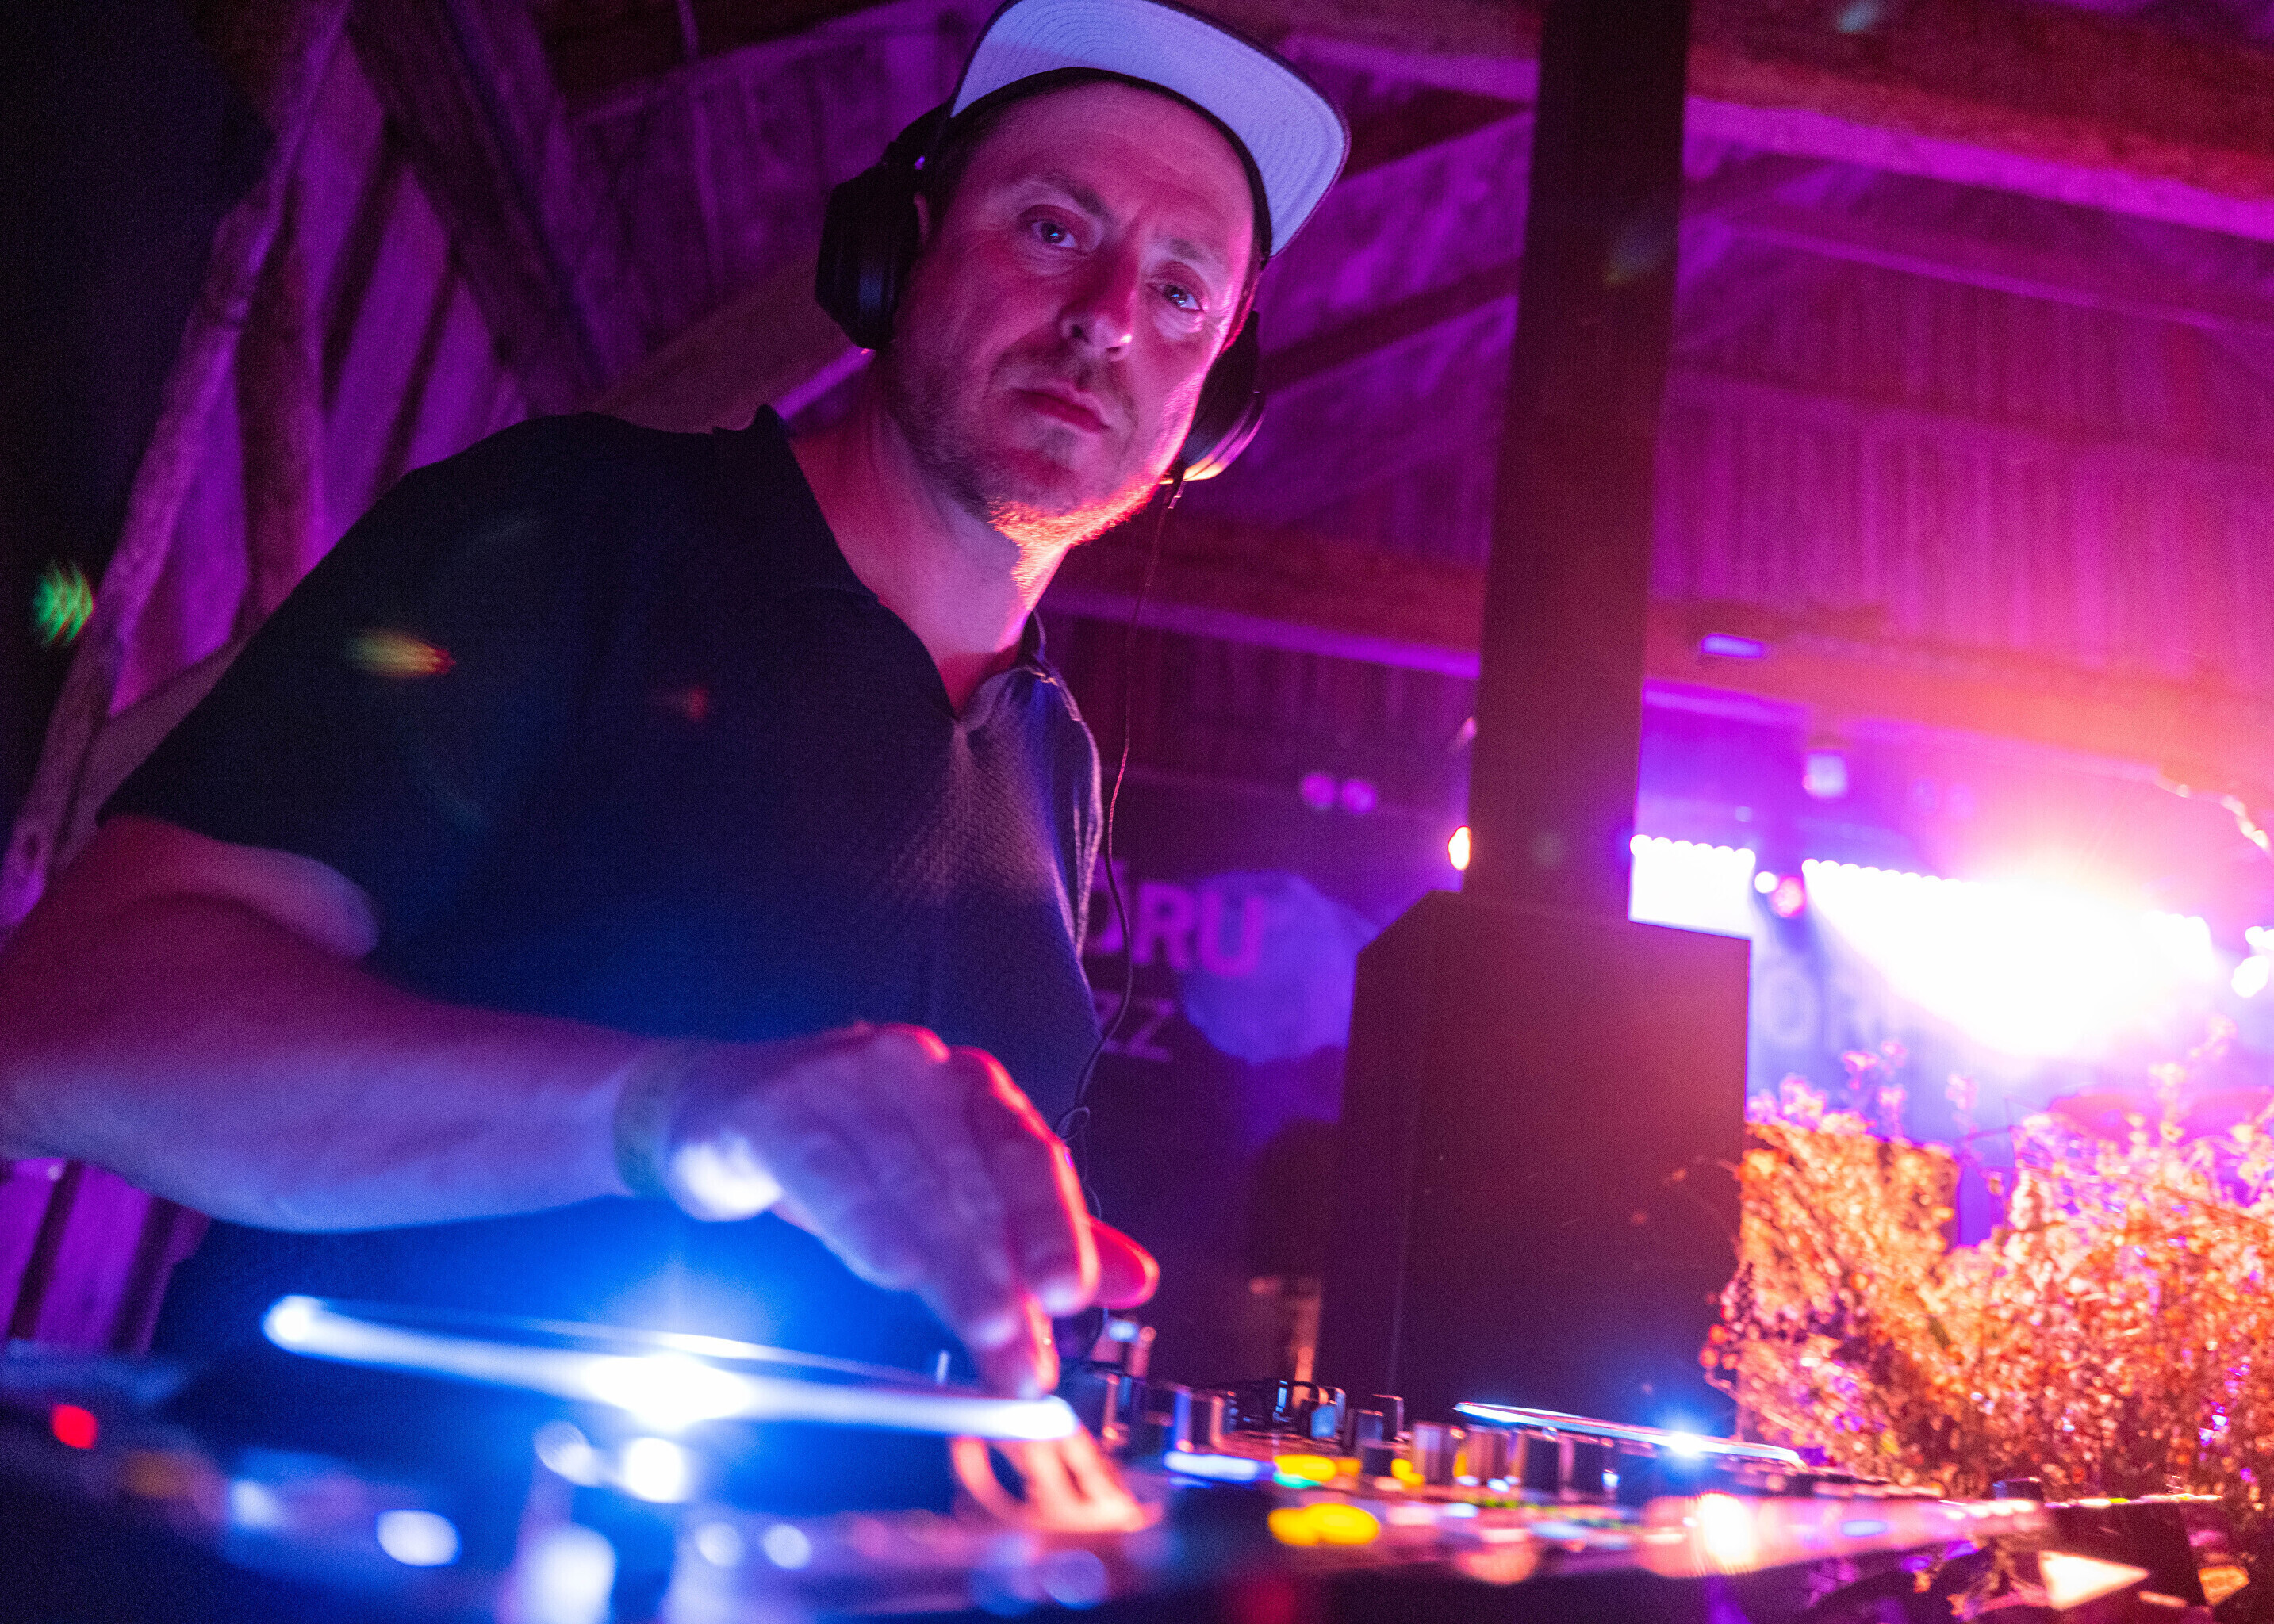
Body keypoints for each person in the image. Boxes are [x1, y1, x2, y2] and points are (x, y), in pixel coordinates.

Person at [0, 0, 1345, 1403]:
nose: (1108, 318)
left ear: (1213, 406)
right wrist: (681, 1112)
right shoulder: (573, 532)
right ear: (898, 253)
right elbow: (66, 1026)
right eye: (1053, 229)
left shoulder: (1049, 759)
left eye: (1181, 294)